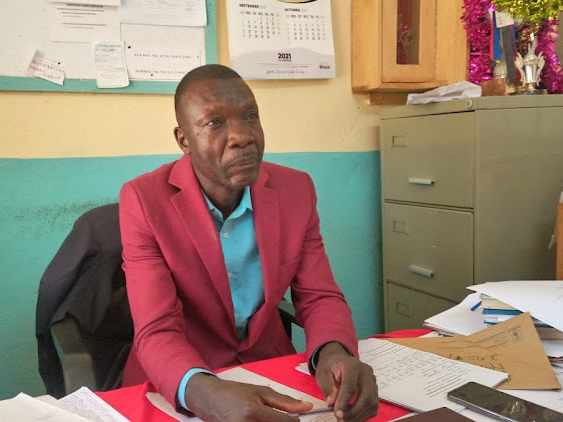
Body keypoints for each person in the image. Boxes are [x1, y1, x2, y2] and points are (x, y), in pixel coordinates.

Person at [118, 64, 378, 422]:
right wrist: (206, 394)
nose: (242, 136)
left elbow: (319, 295)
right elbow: (156, 327)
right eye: (215, 122)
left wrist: (333, 353)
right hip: (183, 382)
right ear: (183, 140)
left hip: (269, 369)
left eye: (250, 116)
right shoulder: (144, 200)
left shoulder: (295, 189)